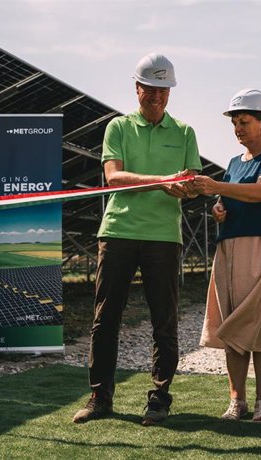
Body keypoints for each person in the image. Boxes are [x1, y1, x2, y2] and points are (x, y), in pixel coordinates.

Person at [72, 53, 202, 426]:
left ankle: (159, 399)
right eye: (151, 89)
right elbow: (113, 177)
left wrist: (185, 188)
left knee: (164, 320)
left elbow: (190, 182)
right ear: (137, 88)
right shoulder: (118, 128)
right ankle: (100, 397)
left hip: (163, 237)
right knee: (105, 318)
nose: (158, 97)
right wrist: (163, 181)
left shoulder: (185, 132)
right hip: (118, 233)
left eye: (164, 90)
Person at [188, 89, 261, 423]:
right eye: (234, 122)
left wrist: (218, 187)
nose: (237, 128)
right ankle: (238, 400)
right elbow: (232, 200)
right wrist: (220, 207)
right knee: (233, 321)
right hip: (231, 247)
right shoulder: (233, 165)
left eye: (244, 121)